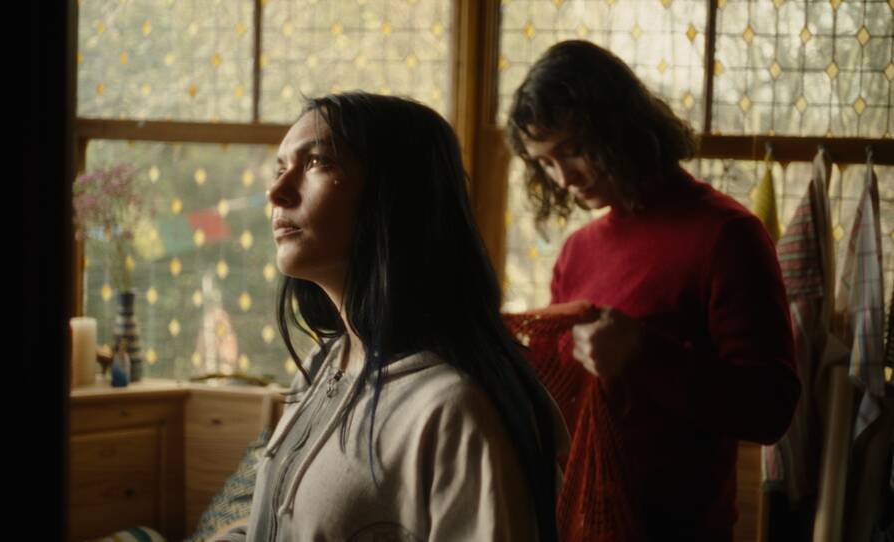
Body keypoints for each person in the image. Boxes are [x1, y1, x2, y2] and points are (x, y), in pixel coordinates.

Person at [214, 92, 566, 542]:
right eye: (281, 167)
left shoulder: (457, 410)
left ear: (396, 194)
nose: (276, 192)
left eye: (318, 162)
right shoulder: (321, 368)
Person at [505, 40, 801, 541]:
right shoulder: (578, 251)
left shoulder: (726, 235)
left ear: (618, 126)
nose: (563, 177)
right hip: (579, 524)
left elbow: (771, 409)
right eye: (545, 162)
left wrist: (643, 352)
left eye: (572, 150)